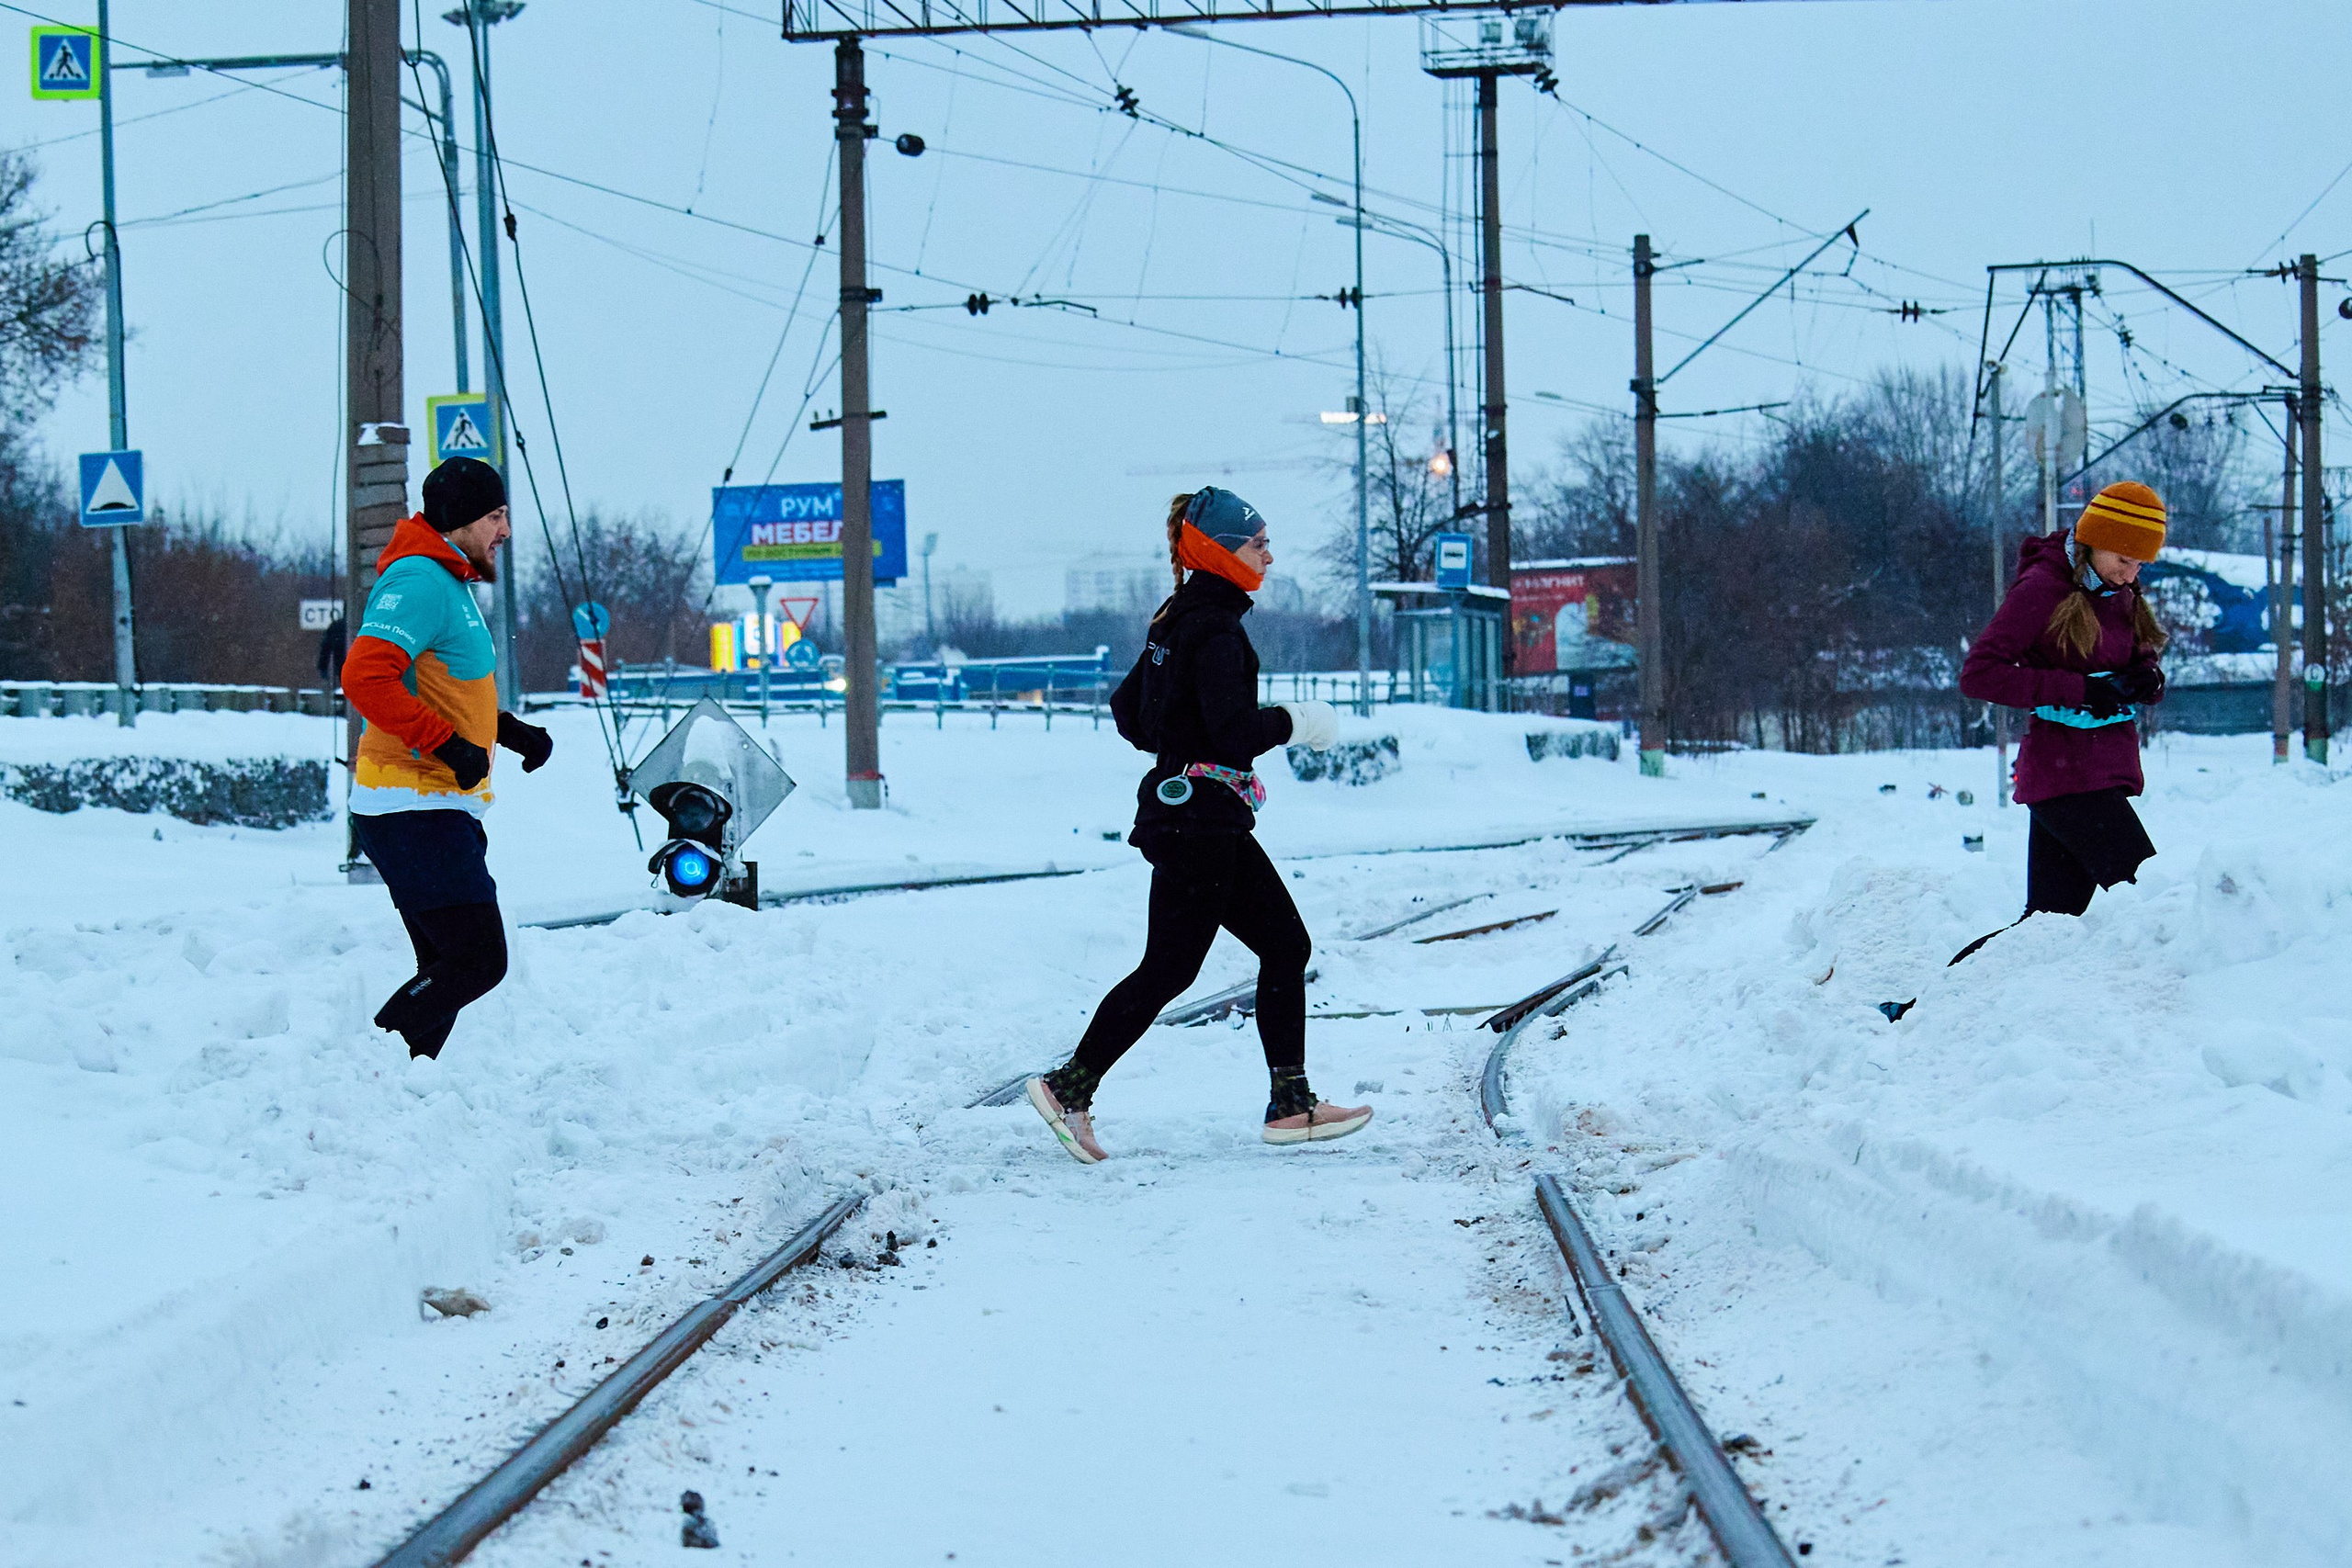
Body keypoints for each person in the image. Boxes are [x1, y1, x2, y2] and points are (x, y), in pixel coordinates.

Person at [1023, 487, 1368, 1163]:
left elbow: (1130, 713)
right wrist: (1296, 722)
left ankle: (1291, 1103)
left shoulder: (1177, 617)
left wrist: (1181, 742)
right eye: (1258, 544)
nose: (1269, 556)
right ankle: (1068, 1088)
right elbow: (1234, 732)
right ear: (1220, 550)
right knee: (1171, 968)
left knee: (1281, 944)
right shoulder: (1214, 628)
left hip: (1195, 816)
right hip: (1200, 825)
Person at [341, 456, 554, 1060]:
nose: (505, 530)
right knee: (477, 959)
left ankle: (399, 1083)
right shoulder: (419, 581)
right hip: (411, 803)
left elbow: (445, 688)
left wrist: (507, 731)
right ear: (460, 519)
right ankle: (363, 1060)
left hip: (433, 804)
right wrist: (445, 744)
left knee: (445, 966)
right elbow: (365, 677)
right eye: (495, 516)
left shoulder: (447, 583)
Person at [1945, 479, 2169, 967]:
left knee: (2046, 925)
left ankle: (1937, 1002)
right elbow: (1979, 674)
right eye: (2124, 560)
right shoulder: (2042, 589)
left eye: (2140, 565)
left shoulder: (2119, 590)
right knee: (2149, 906)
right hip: (2065, 776)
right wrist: (2080, 690)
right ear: (2094, 542)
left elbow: (2137, 656)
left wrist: (2146, 678)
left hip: (2100, 770)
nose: (2131, 575)